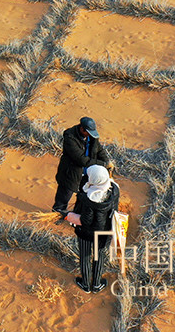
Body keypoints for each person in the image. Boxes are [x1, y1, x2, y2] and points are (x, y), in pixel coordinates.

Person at [67, 164, 121, 293]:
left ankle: (85, 284)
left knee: (85, 256)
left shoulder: (89, 198)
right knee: (99, 256)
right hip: (103, 232)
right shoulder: (114, 189)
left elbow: (85, 221)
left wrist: (68, 216)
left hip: (86, 233)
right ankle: (96, 284)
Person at [53, 116, 112, 216]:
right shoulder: (70, 138)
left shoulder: (91, 136)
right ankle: (57, 215)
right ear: (82, 129)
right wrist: (102, 164)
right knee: (64, 196)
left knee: (83, 196)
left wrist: (106, 161)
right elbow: (81, 159)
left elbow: (99, 150)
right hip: (71, 173)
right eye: (88, 132)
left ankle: (76, 215)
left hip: (88, 173)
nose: (90, 135)